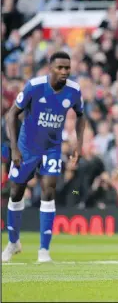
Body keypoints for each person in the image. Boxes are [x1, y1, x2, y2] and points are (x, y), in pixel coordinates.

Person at [2, 51, 86, 263]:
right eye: (60, 67)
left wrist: (79, 143)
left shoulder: (74, 91)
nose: (65, 71)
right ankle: (13, 242)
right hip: (26, 147)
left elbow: (81, 116)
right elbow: (12, 114)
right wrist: (14, 148)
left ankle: (43, 251)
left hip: (52, 148)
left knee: (49, 189)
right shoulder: (34, 86)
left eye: (67, 68)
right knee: (16, 191)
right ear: (50, 68)